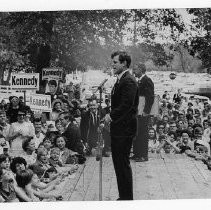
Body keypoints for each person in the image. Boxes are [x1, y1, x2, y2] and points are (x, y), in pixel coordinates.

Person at [105, 51, 139, 200]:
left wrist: (110, 116)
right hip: (119, 128)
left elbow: (126, 105)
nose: (112, 65)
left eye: (115, 62)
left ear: (124, 63)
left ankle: (126, 199)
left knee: (122, 164)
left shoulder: (128, 80)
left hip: (124, 130)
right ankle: (123, 196)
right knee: (118, 164)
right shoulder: (120, 79)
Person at [131, 62, 154, 162]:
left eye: (135, 69)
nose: (133, 71)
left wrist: (146, 111)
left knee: (143, 134)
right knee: (136, 132)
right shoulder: (138, 81)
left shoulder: (147, 80)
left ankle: (143, 155)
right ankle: (136, 153)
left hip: (143, 112)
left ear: (141, 69)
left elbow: (150, 98)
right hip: (137, 111)